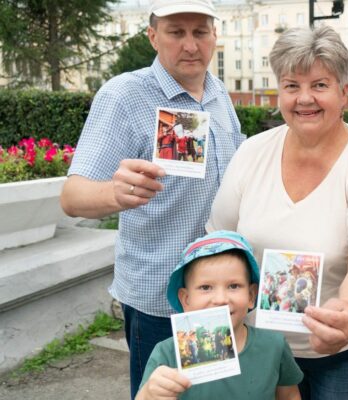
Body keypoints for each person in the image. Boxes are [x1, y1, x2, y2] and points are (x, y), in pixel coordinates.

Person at [59, 0, 243, 397]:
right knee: (161, 396)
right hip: (162, 303)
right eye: (177, 32)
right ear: (153, 36)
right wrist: (114, 192)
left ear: (215, 36)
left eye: (200, 32)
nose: (191, 45)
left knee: (211, 394)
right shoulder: (124, 95)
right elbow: (72, 197)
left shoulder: (218, 94)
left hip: (217, 296)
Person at [206, 26, 348, 400]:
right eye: (292, 85)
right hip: (257, 349)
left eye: (320, 85)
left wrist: (347, 312)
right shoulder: (252, 152)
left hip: (341, 352)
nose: (304, 98)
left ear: (344, 93)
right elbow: (218, 243)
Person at [137, 230, 303, 400]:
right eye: (206, 287)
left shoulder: (274, 346)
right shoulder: (166, 353)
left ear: (251, 296)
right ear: (186, 299)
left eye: (233, 286)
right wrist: (148, 394)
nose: (220, 299)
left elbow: (290, 395)